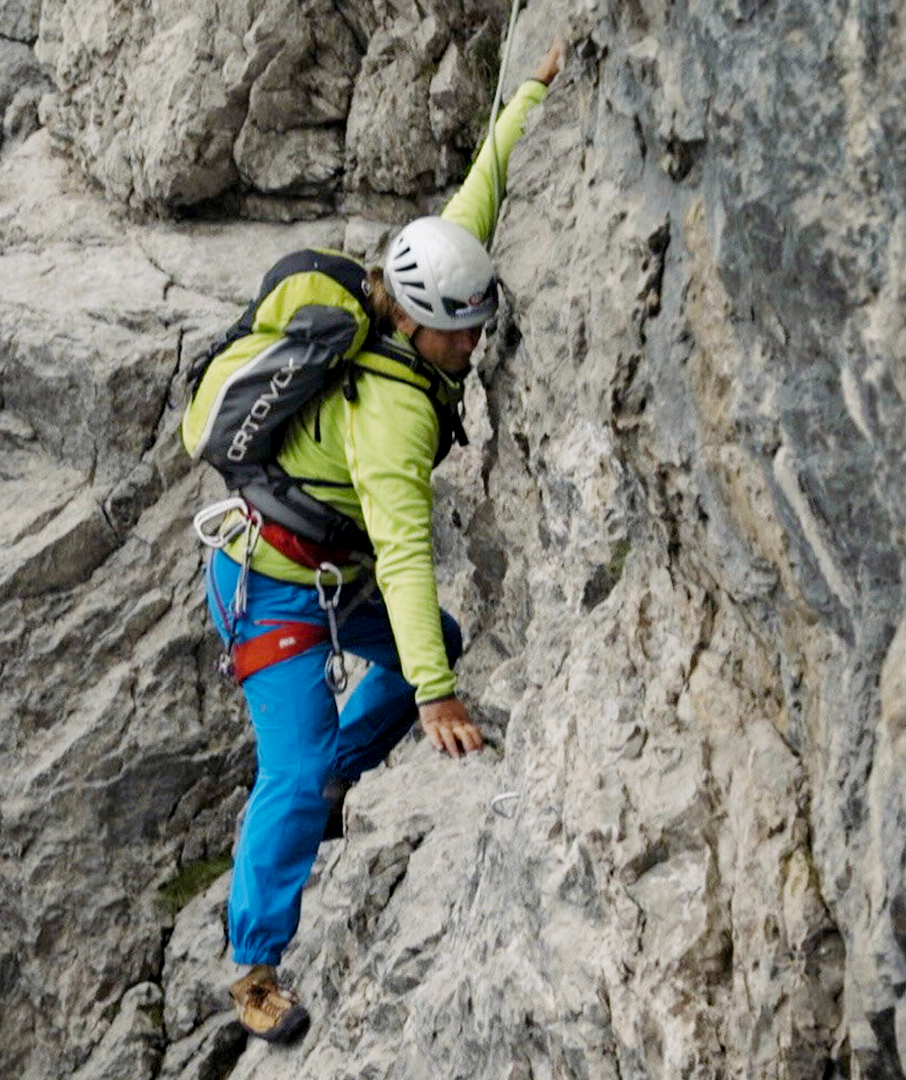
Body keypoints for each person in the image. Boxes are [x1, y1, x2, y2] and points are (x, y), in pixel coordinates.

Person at [198, 38, 567, 1044]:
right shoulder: (394, 418)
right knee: (293, 762)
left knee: (421, 652)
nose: (474, 343)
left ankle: (336, 781)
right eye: (462, 333)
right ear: (413, 326)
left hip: (322, 572)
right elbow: (404, 553)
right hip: (269, 586)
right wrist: (438, 698)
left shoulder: (423, 283)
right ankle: (254, 969)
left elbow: (480, 189)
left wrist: (530, 94)